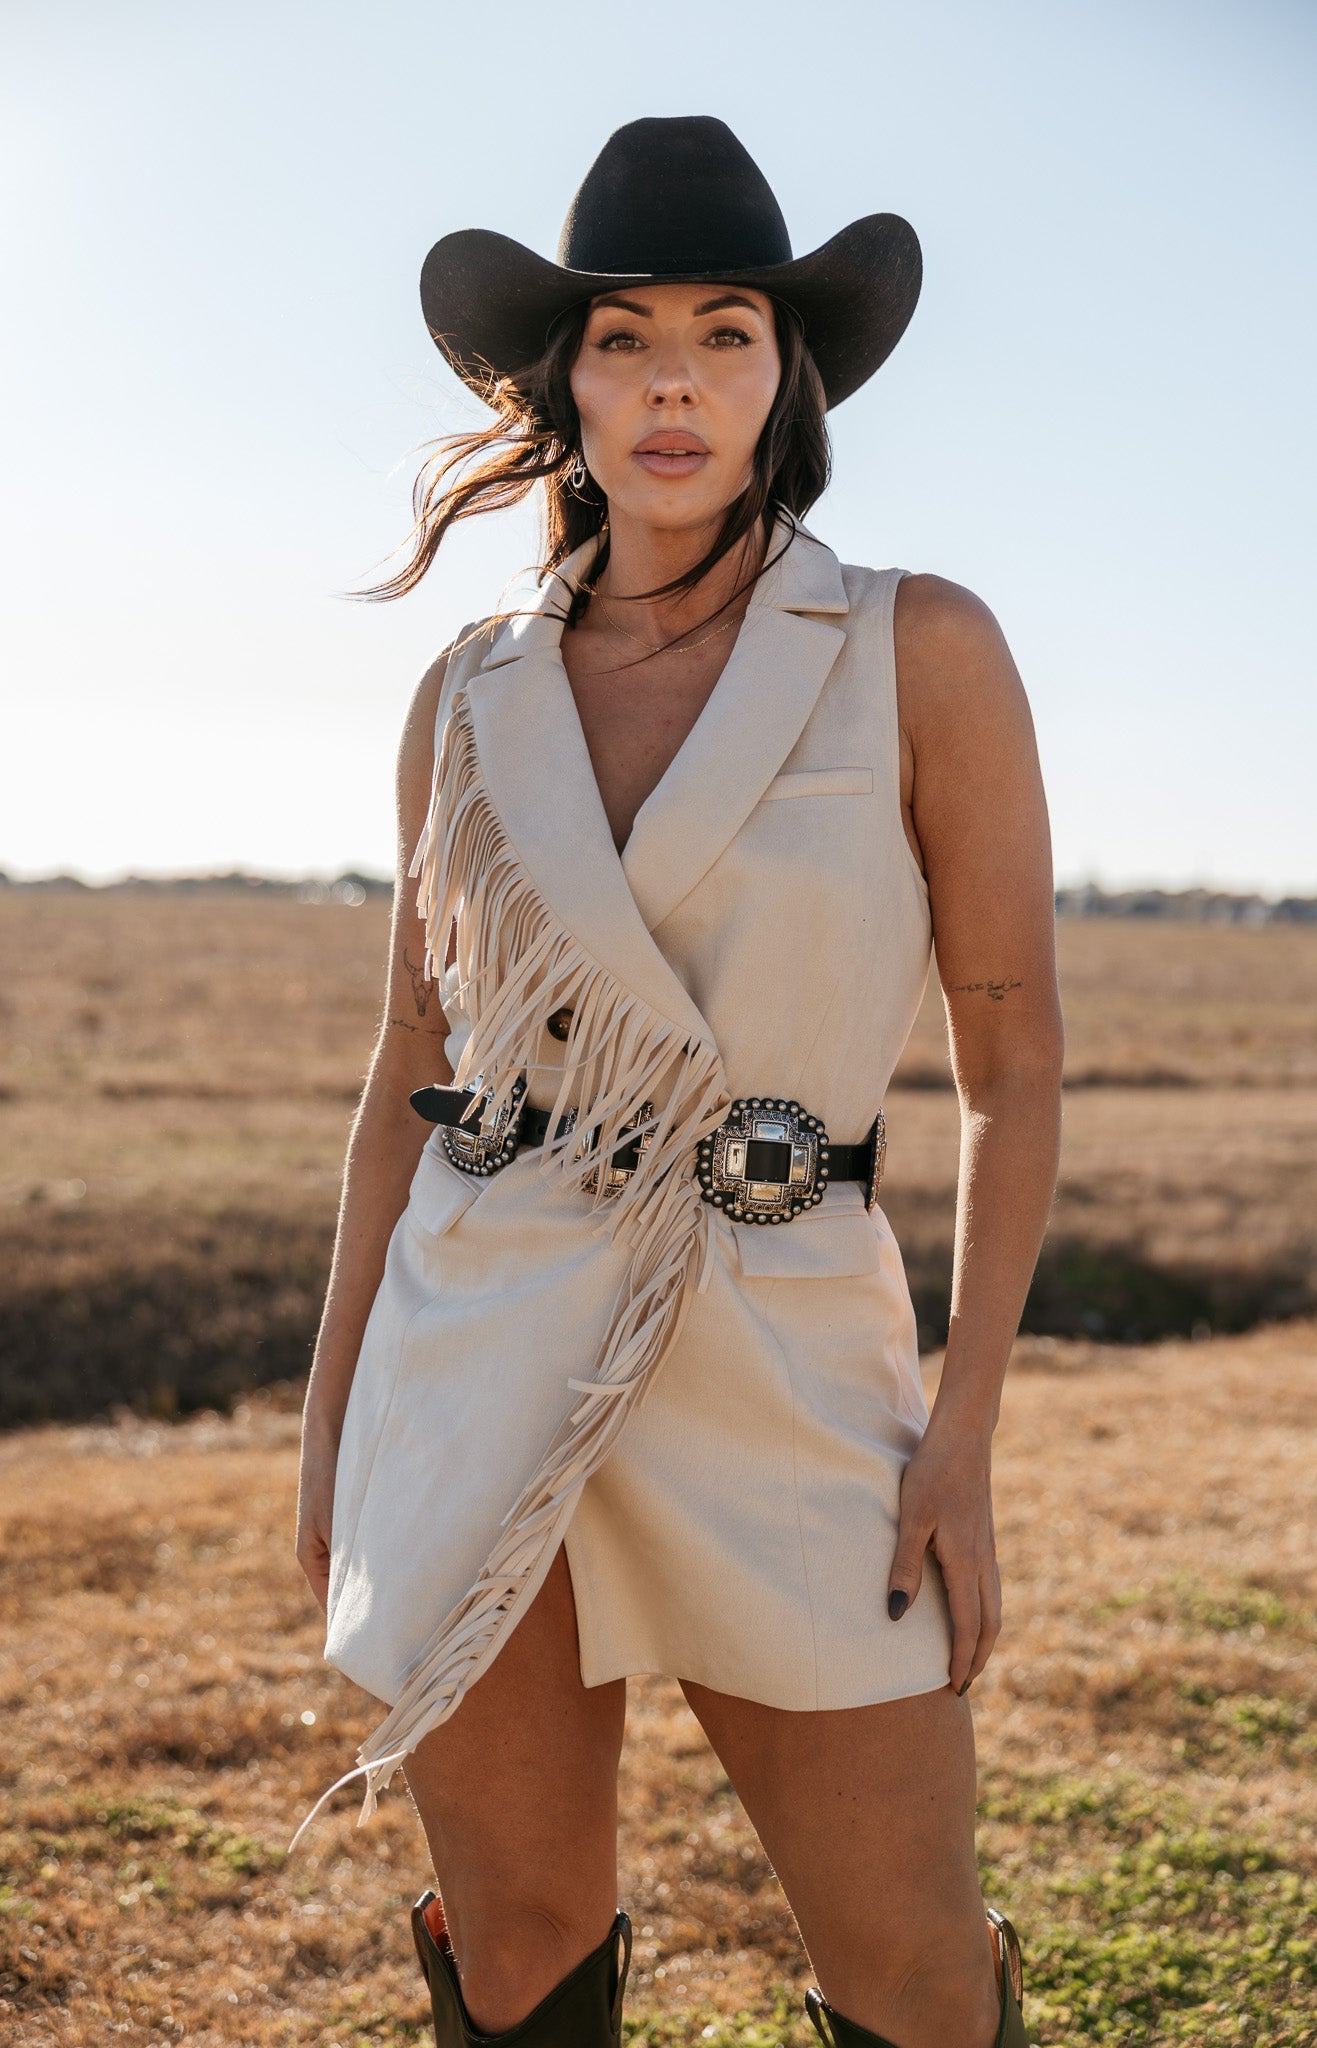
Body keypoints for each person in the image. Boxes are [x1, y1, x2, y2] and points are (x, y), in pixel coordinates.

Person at [295, 115, 1062, 2048]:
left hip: (783, 1338)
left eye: (724, 335)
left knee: (907, 1961)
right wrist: (334, 1411)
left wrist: (962, 1427)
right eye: (624, 338)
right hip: (482, 1337)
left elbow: (1012, 1056)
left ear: (784, 375)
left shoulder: (914, 646)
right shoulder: (468, 690)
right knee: (525, 1932)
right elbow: (413, 1055)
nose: (672, 385)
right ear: (561, 377)